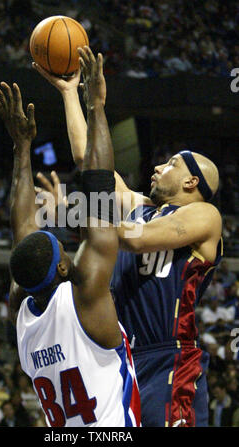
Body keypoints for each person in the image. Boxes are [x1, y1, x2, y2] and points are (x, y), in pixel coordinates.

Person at [34, 51, 223, 427]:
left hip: (170, 359)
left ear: (191, 182)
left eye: (171, 164)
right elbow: (92, 163)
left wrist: (72, 213)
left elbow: (136, 240)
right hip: (123, 358)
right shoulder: (138, 206)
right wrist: (77, 96)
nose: (157, 167)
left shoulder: (204, 215)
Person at [0, 46, 140, 427]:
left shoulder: (24, 317)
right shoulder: (85, 298)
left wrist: (22, 149)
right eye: (63, 245)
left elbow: (23, 233)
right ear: (63, 265)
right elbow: (100, 188)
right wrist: (96, 107)